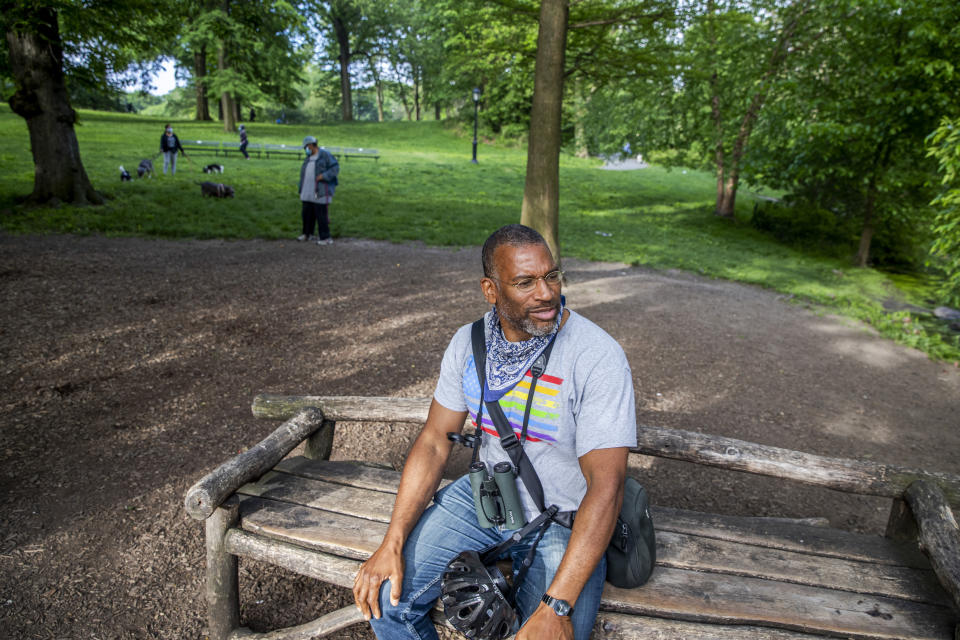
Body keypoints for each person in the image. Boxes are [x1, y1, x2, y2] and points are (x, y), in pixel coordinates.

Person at [353, 224, 637, 640]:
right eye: (525, 282)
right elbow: (434, 442)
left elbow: (606, 487)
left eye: (551, 276)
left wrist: (557, 605)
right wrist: (390, 543)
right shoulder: (469, 344)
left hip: (565, 520)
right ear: (491, 289)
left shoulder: (597, 357)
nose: (545, 293)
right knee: (384, 597)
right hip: (487, 500)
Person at [297, 135, 339, 245]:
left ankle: (325, 237)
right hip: (307, 190)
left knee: (321, 213)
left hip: (319, 191)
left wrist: (324, 176)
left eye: (306, 147)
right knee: (307, 213)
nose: (305, 149)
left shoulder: (325, 155)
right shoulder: (308, 157)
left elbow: (335, 168)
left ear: (311, 145)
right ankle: (307, 234)